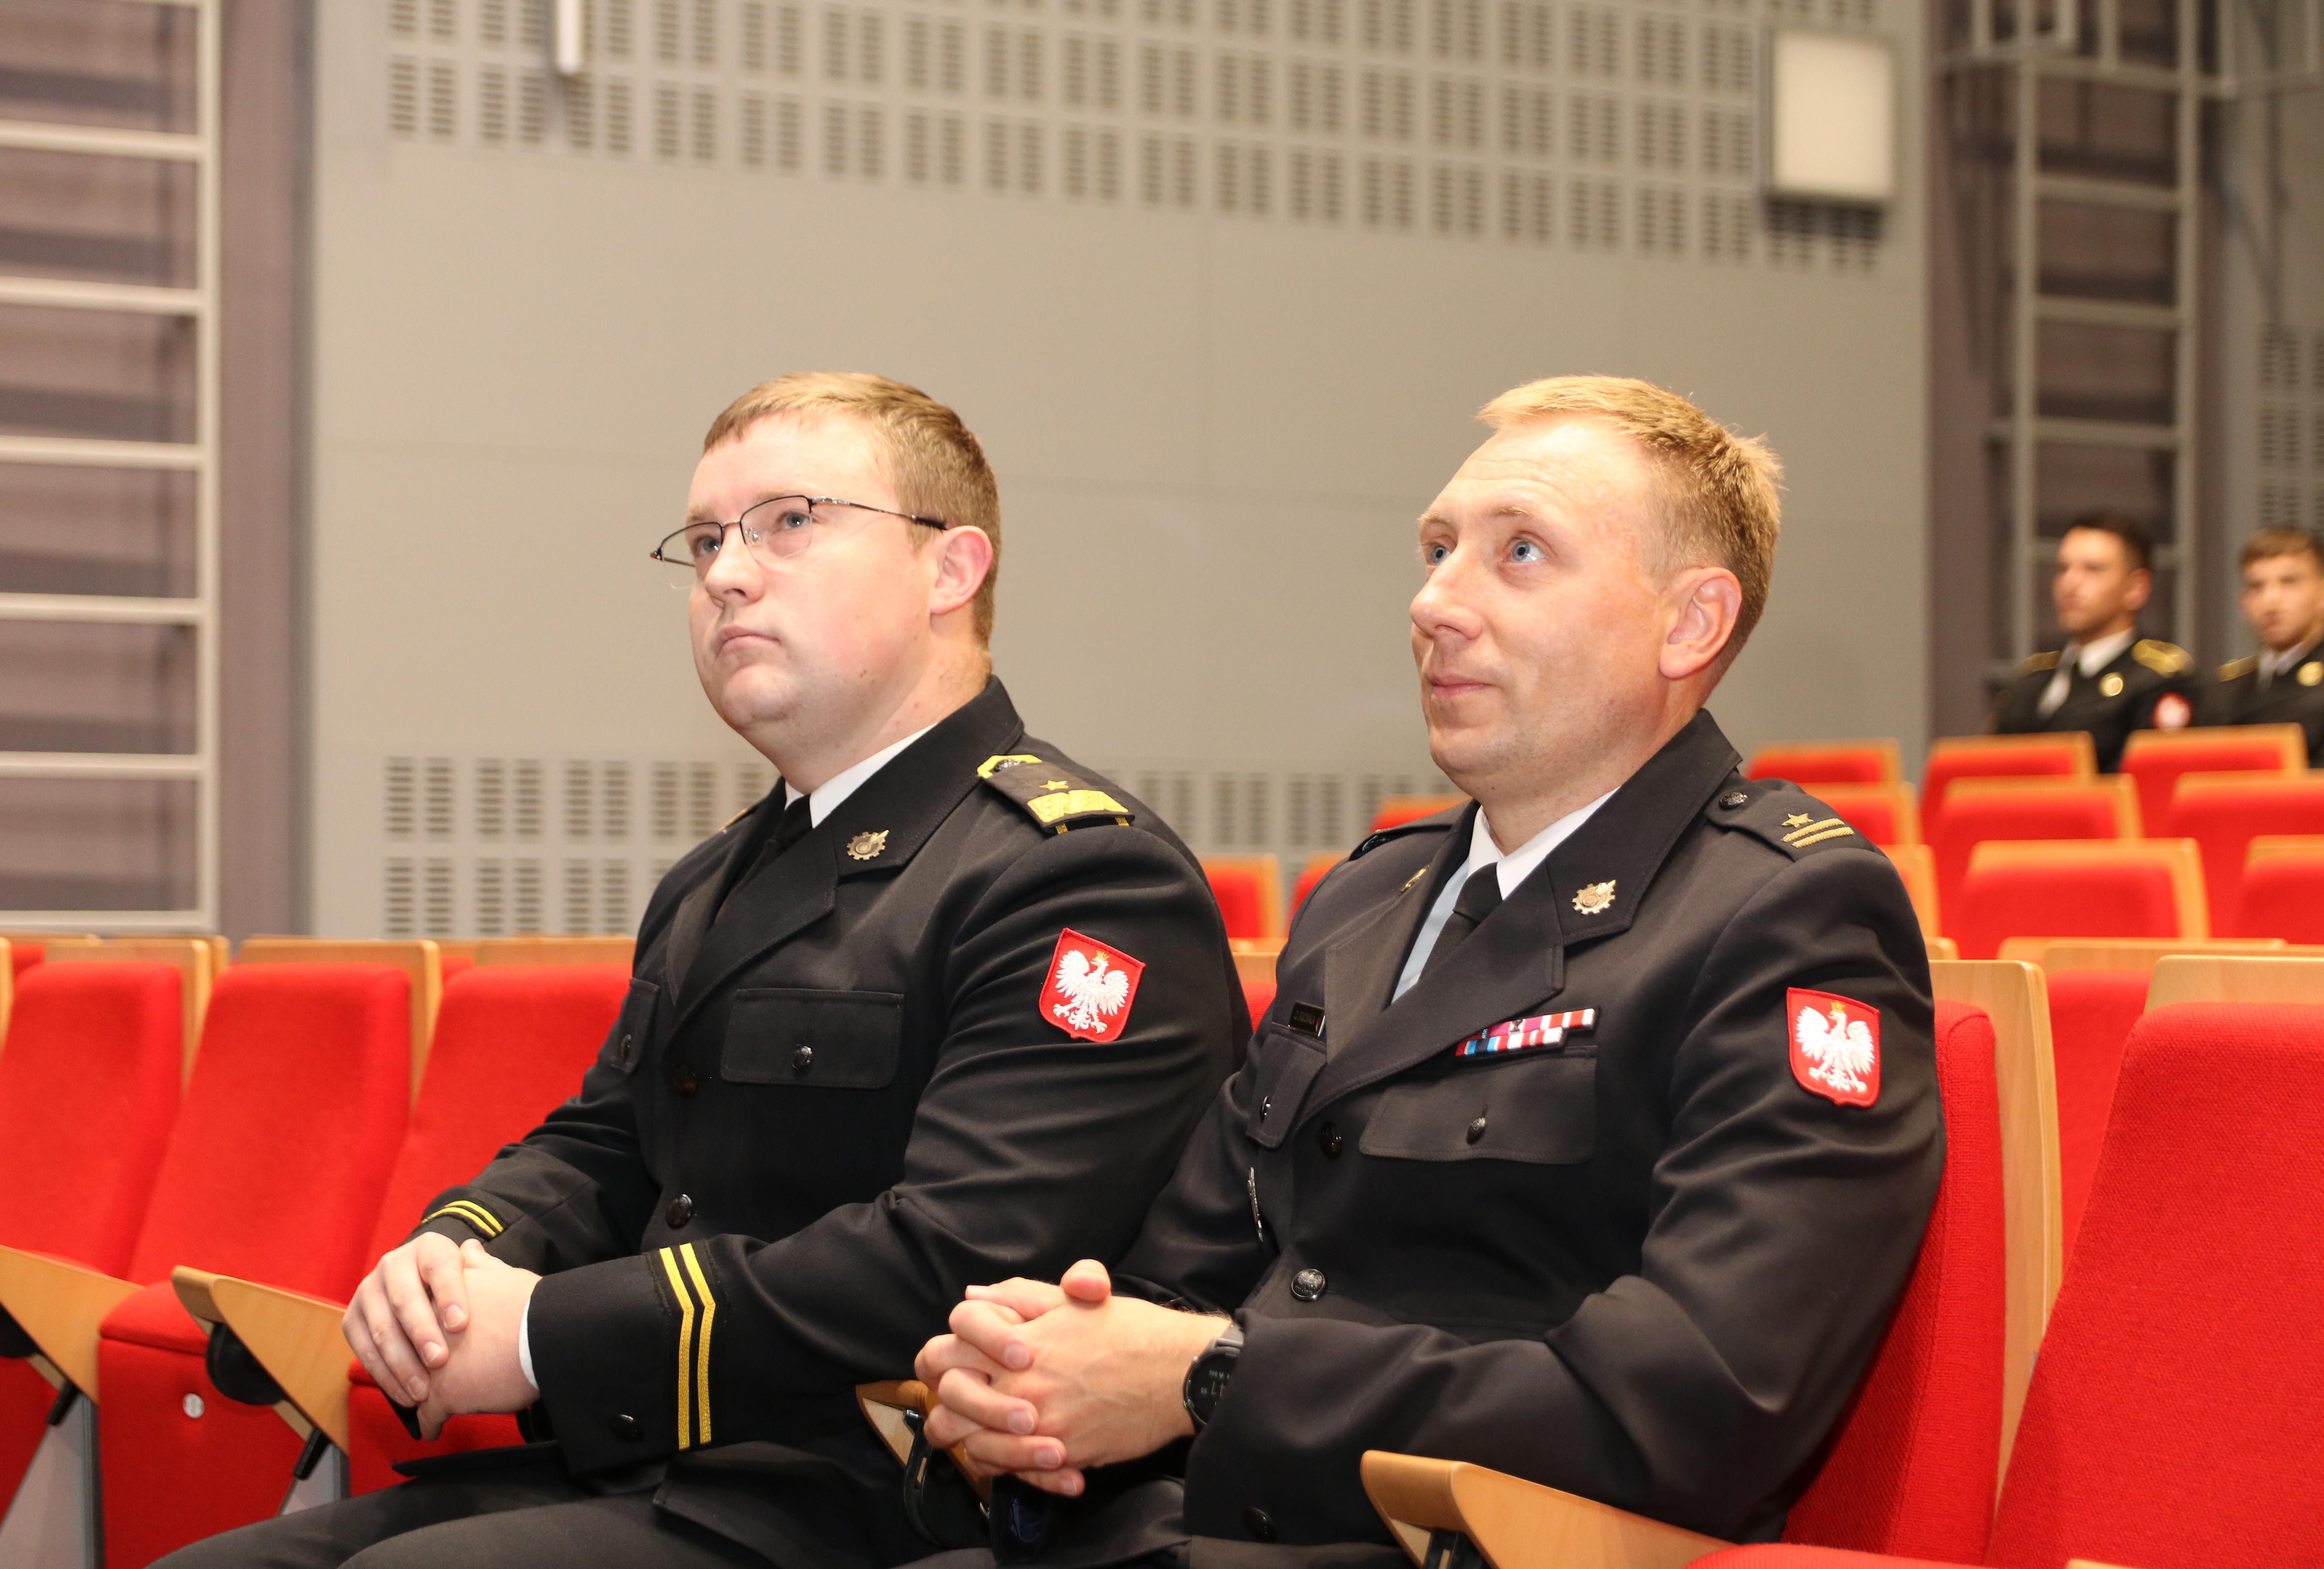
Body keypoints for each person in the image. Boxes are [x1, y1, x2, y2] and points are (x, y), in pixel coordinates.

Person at [166, 374, 1244, 1568]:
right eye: (703, 541)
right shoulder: (717, 877)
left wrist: (542, 1335)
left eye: (790, 522)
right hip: (664, 1466)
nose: (727, 573)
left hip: (887, 1492)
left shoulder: (1075, 875)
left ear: (950, 569)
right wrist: (462, 1252)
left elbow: (957, 1257)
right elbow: (609, 1143)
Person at [909, 376, 1945, 1564]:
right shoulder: (1365, 900)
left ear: (1689, 624)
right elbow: (1188, 1271)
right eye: (1438, 548)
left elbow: (1699, 1396)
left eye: (1519, 552)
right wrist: (1038, 1375)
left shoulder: (1785, 913)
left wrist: (1214, 1379)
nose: (1434, 601)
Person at [1988, 512, 2193, 770]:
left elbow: (2143, 780)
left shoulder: (2156, 680)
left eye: (2093, 570)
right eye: (2063, 569)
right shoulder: (2032, 680)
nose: (2070, 583)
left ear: (2136, 588)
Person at [2202, 526, 2324, 762]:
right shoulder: (2225, 688)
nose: (2271, 600)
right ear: (2244, 602)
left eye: (2289, 582)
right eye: (2257, 587)